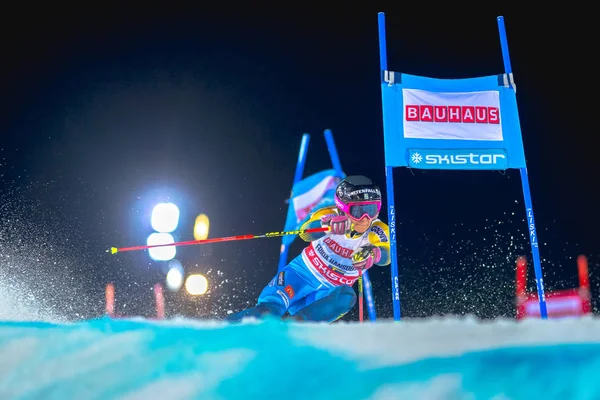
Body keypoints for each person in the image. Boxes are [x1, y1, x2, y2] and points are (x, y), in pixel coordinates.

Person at [227, 175, 391, 323]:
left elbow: (387, 255)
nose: (365, 219)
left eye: (372, 209)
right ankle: (221, 329)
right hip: (300, 275)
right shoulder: (328, 214)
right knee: (267, 311)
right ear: (342, 207)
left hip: (326, 293)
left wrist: (374, 254)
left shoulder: (377, 229)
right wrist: (325, 226)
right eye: (358, 211)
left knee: (347, 296)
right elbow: (305, 233)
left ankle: (297, 327)